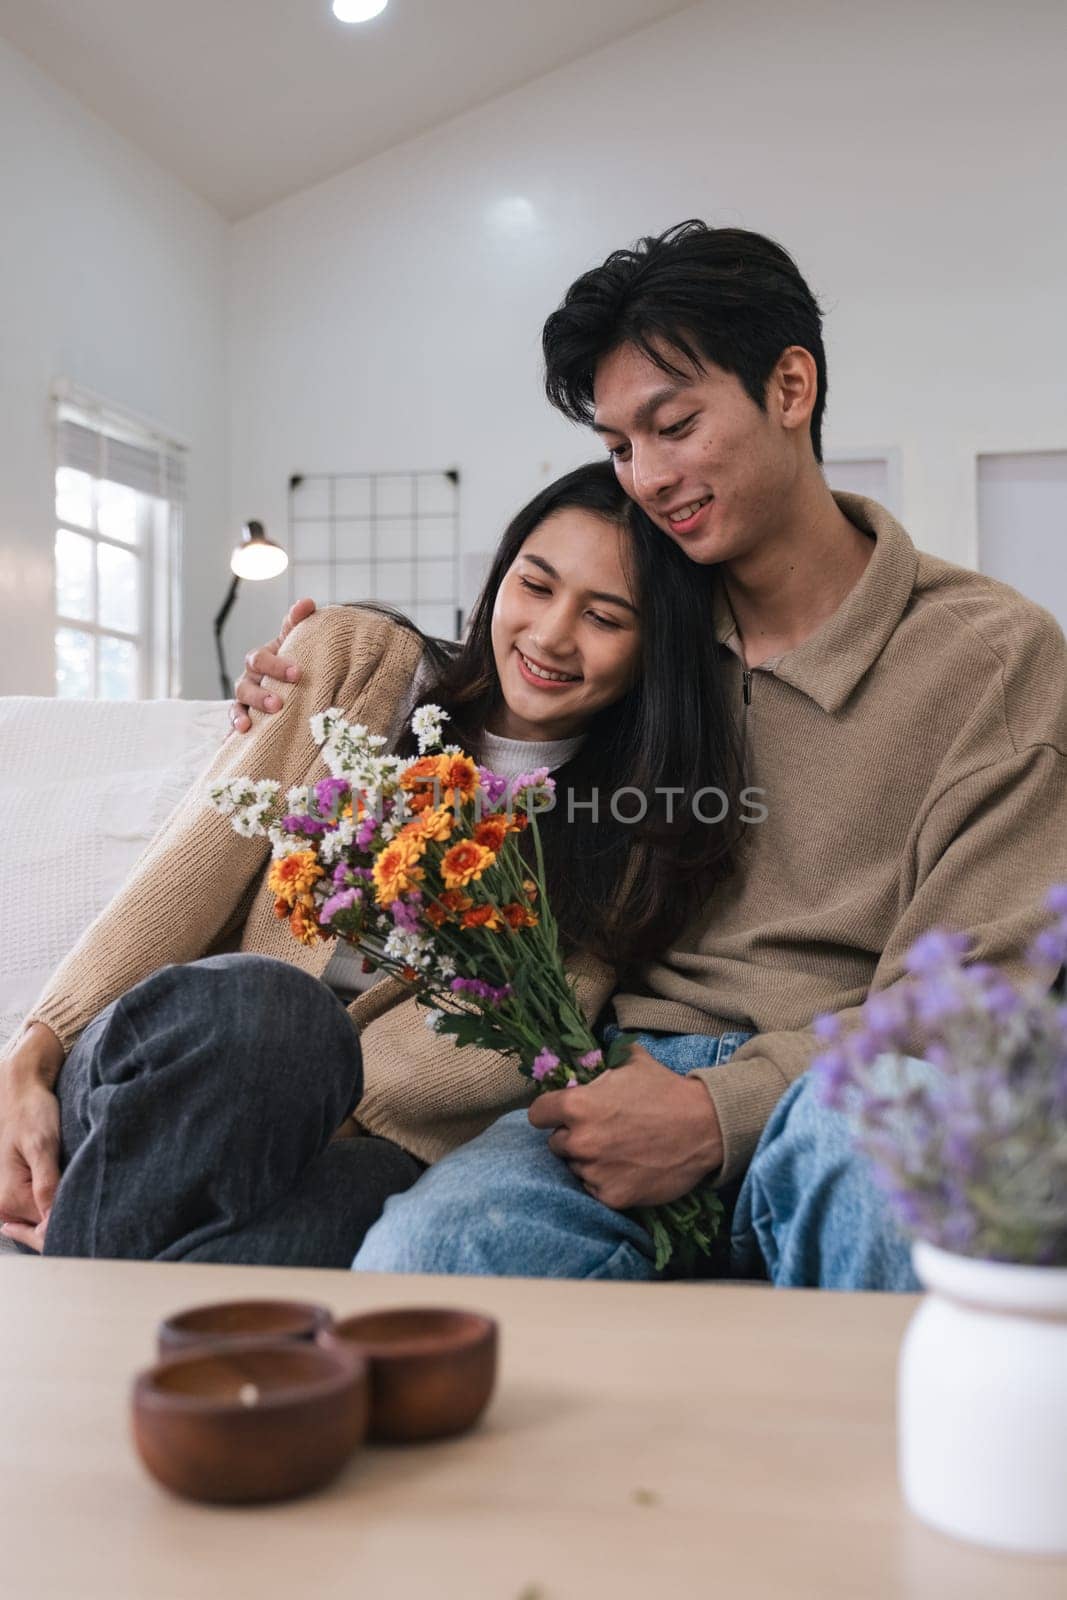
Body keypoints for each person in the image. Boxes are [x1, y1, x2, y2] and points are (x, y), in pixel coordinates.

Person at [234, 222, 1067, 1288]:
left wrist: (719, 1110)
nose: (648, 477)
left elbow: (973, 998)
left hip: (848, 1083)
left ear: (790, 386)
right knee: (425, 1256)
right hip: (615, 1074)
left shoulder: (991, 657)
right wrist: (312, 672)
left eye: (673, 426)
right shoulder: (636, 629)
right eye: (621, 447)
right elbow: (487, 686)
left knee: (882, 1183)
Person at [0, 462, 743, 1265]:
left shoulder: (633, 827)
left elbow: (501, 1044)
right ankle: (86, 1273)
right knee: (277, 1011)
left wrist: (297, 1132)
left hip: (361, 1138)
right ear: (499, 580)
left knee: (312, 1243)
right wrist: (32, 1059)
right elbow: (193, 867)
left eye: (603, 617)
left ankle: (81, 1267)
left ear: (652, 652)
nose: (552, 634)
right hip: (180, 1077)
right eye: (535, 586)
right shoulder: (359, 662)